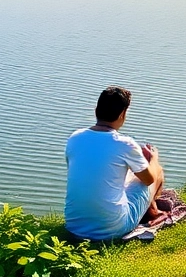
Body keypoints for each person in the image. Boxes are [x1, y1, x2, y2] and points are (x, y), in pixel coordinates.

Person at [64, 86, 165, 240]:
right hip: (112, 229)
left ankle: (149, 209)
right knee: (155, 170)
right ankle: (153, 212)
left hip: (74, 227)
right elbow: (148, 180)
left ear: (96, 110)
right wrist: (153, 159)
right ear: (122, 114)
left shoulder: (75, 138)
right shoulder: (125, 144)